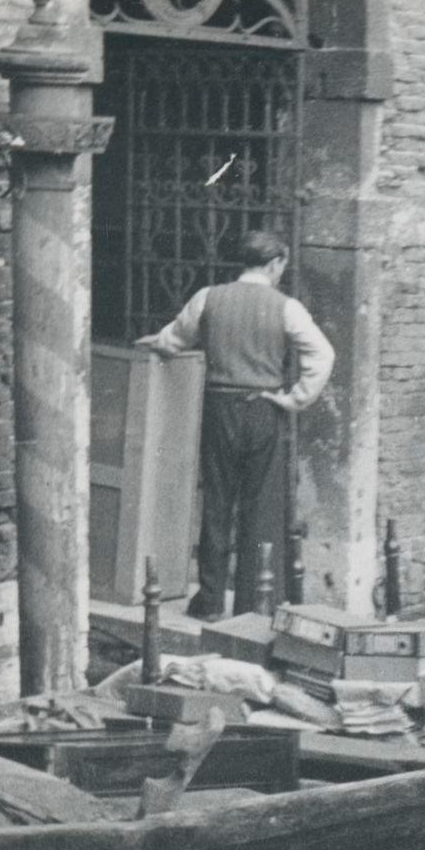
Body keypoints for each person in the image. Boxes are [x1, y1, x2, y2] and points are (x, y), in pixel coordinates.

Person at [137, 230, 336, 622]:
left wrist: (152, 343)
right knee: (259, 508)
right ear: (275, 264)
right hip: (263, 409)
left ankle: (209, 602)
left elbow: (174, 339)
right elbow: (322, 354)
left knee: (216, 504)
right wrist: (294, 398)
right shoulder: (287, 307)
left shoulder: (208, 298)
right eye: (282, 266)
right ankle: (251, 605)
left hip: (219, 407)